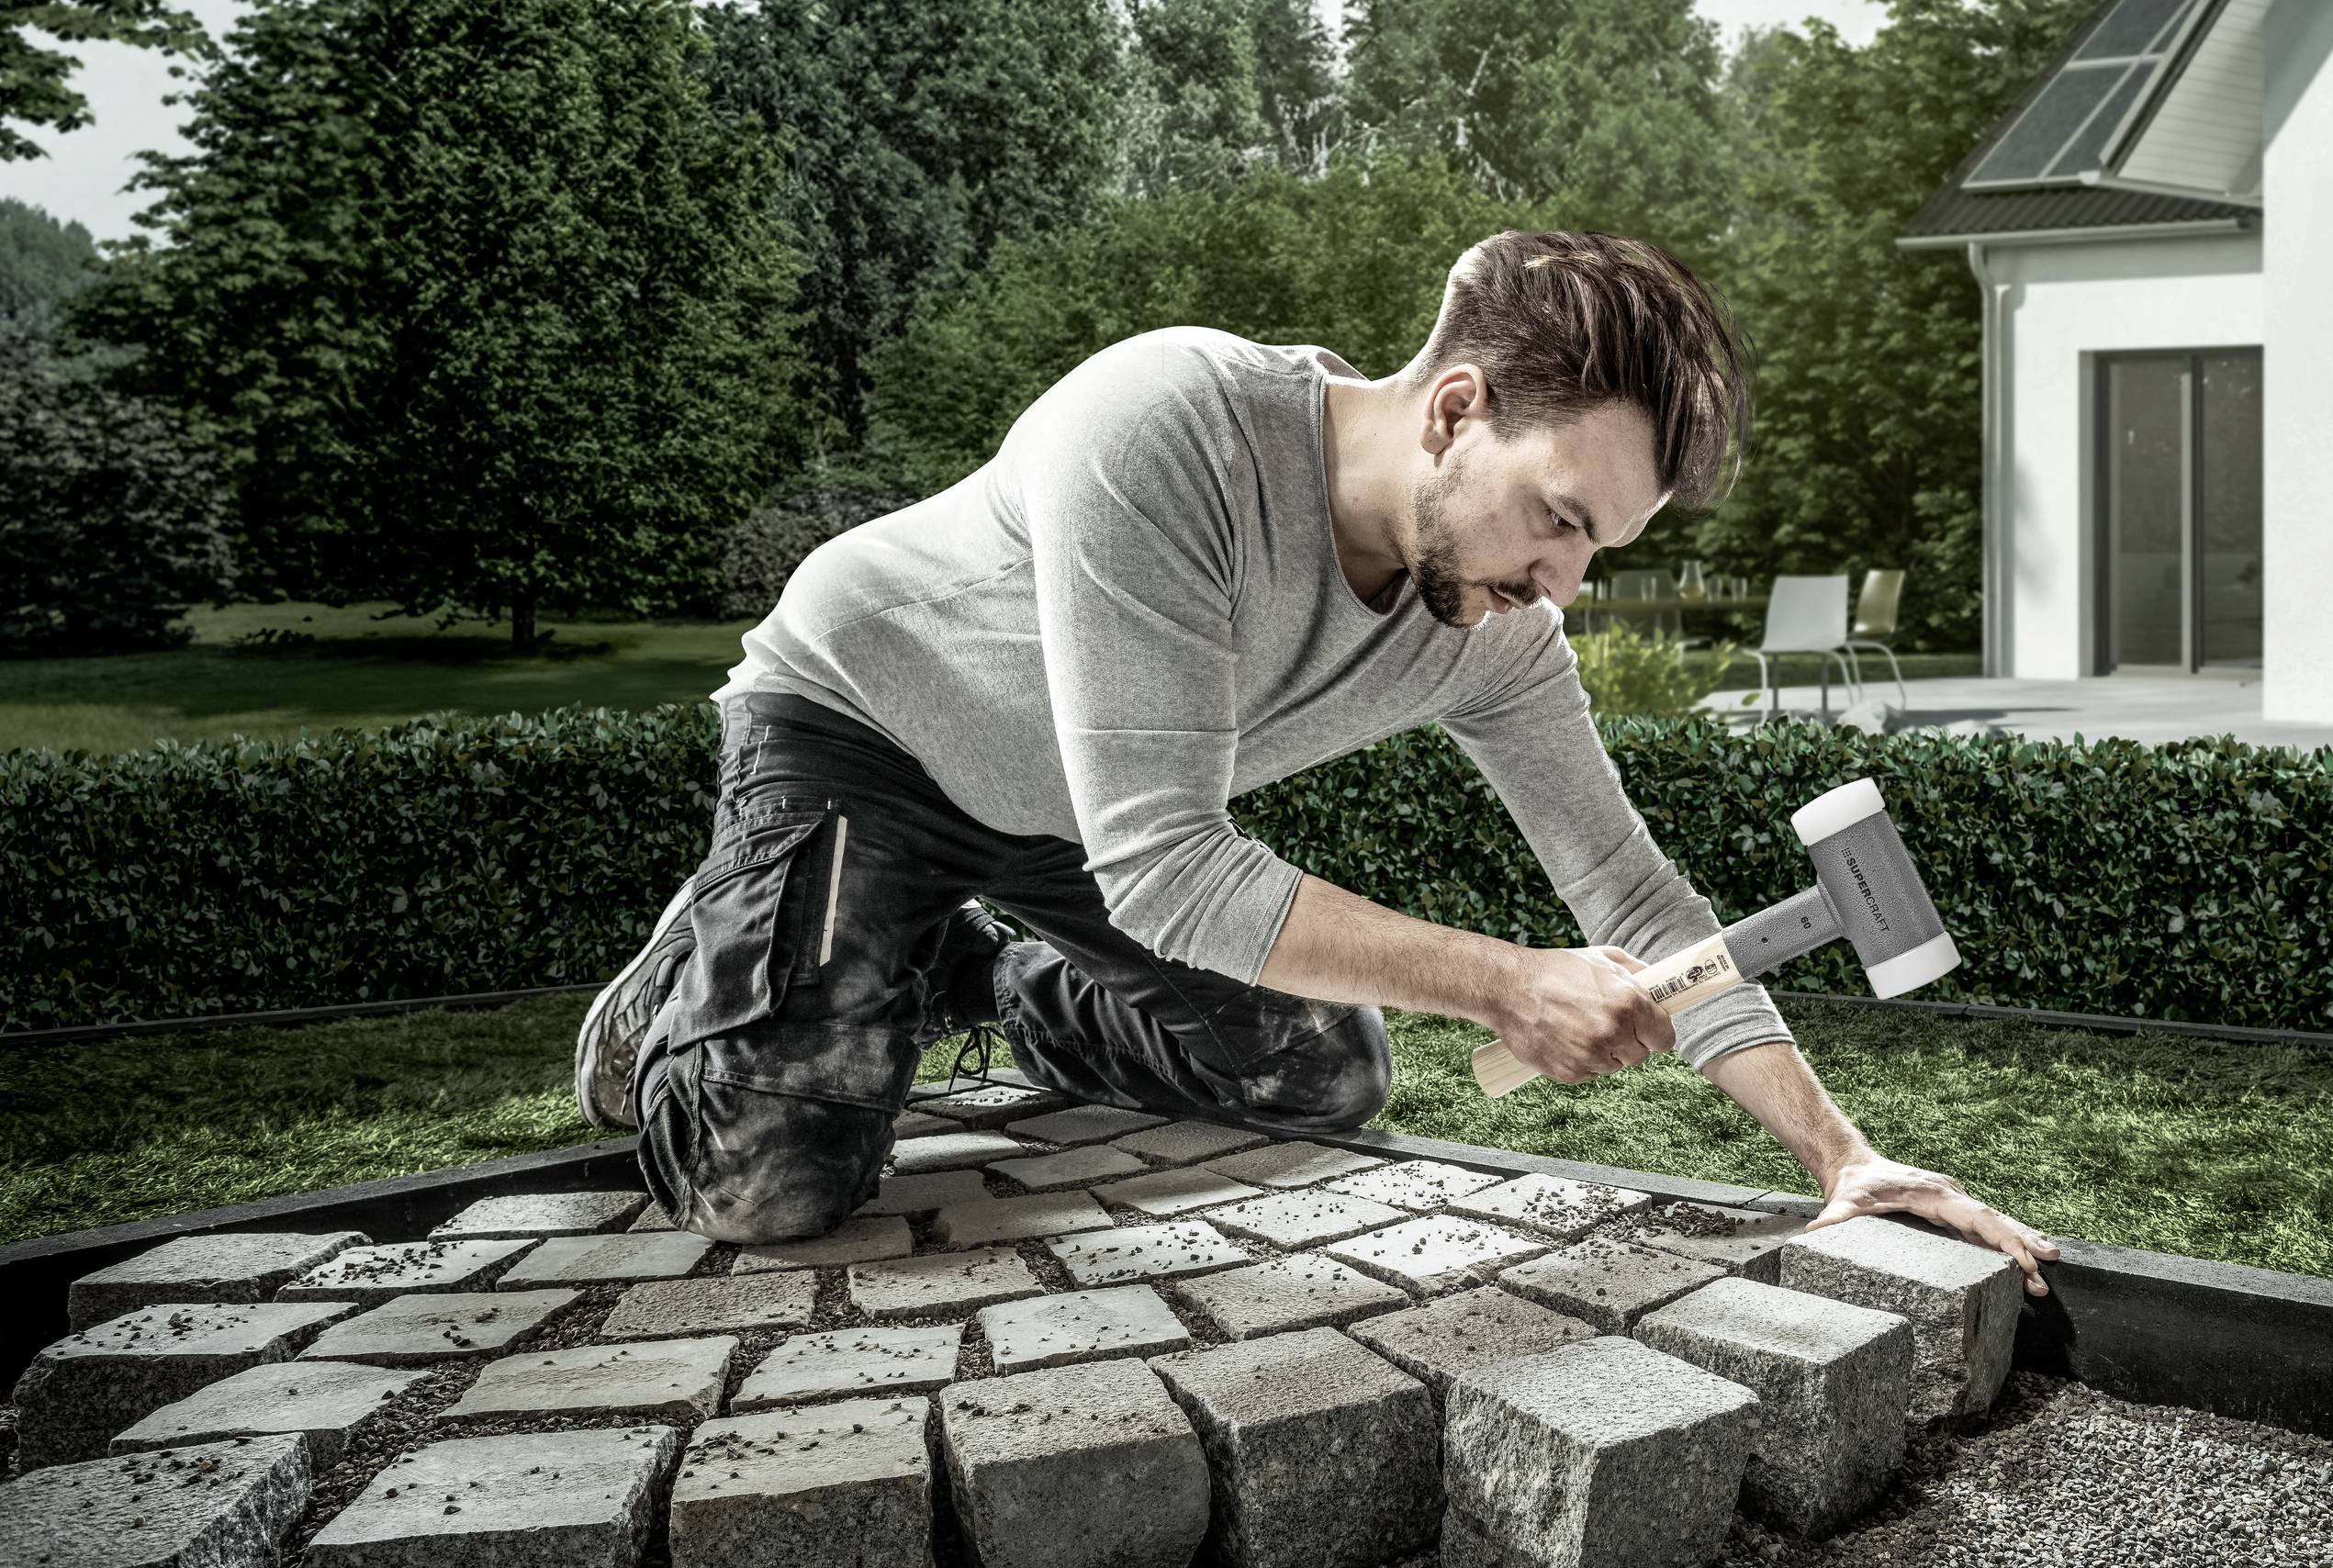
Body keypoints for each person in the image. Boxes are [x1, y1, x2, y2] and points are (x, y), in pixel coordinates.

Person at [577, 229, 2058, 1291]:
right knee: (774, 1189)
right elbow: (1169, 866)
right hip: (860, 739)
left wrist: (1837, 1158)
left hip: (1078, 824)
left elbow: (1633, 894)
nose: (1562, 584)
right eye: (1557, 518)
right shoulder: (1168, 424)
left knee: (1317, 1071)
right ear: (1457, 409)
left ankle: (959, 970)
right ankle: (681, 992)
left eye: (1597, 549)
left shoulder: (1494, 629)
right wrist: (1503, 981)